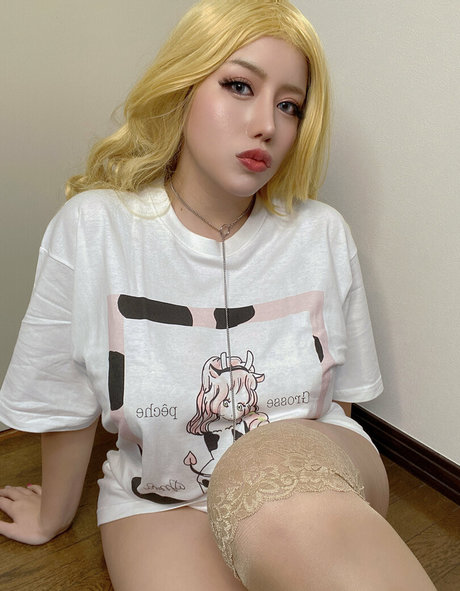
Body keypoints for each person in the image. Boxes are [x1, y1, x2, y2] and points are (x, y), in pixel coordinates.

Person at [0, 1, 436, 589]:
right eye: (239, 86)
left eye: (289, 105)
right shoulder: (95, 229)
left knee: (267, 473)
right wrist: (52, 514)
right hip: (161, 499)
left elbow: (338, 401)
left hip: (309, 476)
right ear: (182, 88)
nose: (267, 125)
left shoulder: (321, 234)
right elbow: (62, 394)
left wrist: (329, 508)